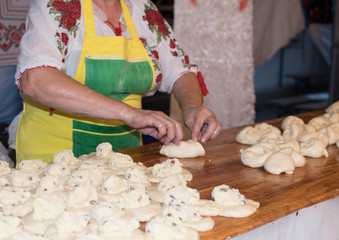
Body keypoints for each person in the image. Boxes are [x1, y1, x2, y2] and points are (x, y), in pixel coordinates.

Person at [15, 0, 221, 164]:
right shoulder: (56, 5)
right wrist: (128, 113)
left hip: (125, 158)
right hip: (54, 160)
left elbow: (180, 71)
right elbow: (36, 80)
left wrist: (191, 107)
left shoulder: (143, 9)